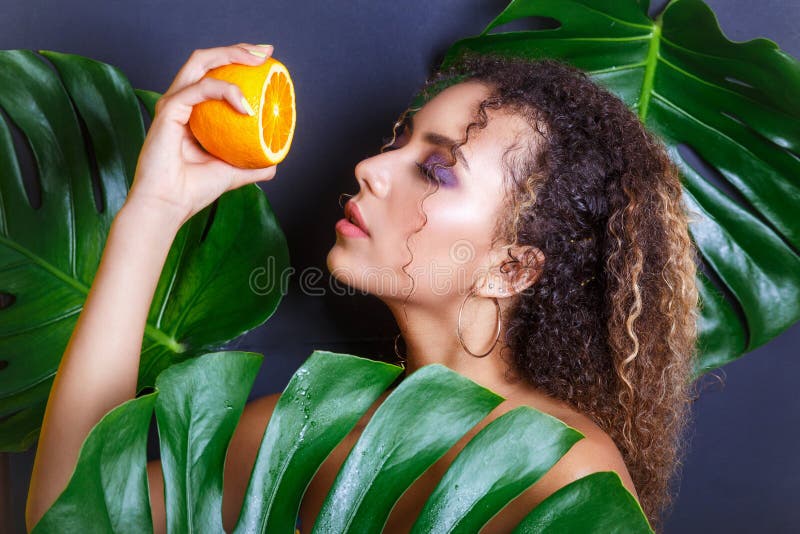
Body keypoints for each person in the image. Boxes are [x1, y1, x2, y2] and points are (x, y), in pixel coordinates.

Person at [25, 42, 699, 533]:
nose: (371, 167)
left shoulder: (559, 474)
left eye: (435, 170)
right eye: (399, 141)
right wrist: (154, 210)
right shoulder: (317, 421)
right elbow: (76, 513)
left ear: (510, 268)